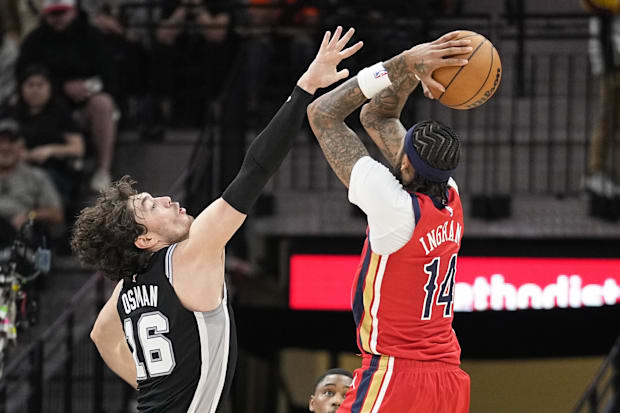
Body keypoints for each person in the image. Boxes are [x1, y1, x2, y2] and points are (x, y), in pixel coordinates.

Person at [71, 26, 362, 412]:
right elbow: (255, 170)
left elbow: (102, 335)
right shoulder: (190, 256)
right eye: (151, 206)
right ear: (143, 239)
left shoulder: (128, 288)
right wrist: (305, 86)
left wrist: (151, 390)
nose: (166, 199)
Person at [307, 31, 472, 412]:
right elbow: (378, 116)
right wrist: (416, 68)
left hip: (399, 375)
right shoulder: (450, 195)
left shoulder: (393, 206)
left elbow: (322, 115)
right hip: (448, 377)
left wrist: (401, 62)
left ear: (406, 162)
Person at [17, 0, 118, 192]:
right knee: (34, 92)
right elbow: (23, 77)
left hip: (83, 105)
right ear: (45, 14)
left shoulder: (92, 37)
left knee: (103, 103)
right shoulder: (33, 41)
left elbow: (111, 79)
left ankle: (103, 170)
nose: (58, 19)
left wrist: (88, 87)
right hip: (47, 105)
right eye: (53, 14)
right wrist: (60, 88)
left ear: (73, 11)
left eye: (62, 13)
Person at [9, 65, 85, 205]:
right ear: (21, 88)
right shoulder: (12, 113)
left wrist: (50, 150)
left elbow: (78, 148)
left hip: (54, 171)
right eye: (30, 85)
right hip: (17, 169)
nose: (35, 90)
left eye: (40, 85)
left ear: (50, 87)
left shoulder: (60, 112)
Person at [0, 117, 63, 246]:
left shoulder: (36, 176)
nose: (5, 147)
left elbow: (56, 214)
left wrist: (29, 215)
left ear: (21, 145)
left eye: (11, 141)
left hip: (17, 239)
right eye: (0, 141)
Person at [582, 4, 620, 196]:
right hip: (612, 62)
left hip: (611, 60)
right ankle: (595, 172)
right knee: (608, 118)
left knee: (609, 120)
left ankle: (596, 172)